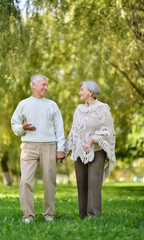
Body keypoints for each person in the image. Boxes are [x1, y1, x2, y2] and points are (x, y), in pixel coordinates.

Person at [11, 74, 65, 223]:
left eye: (47, 85)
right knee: (25, 181)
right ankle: (28, 215)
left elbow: (59, 128)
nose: (46, 88)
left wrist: (61, 149)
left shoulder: (52, 105)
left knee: (49, 181)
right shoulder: (23, 104)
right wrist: (22, 127)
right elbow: (14, 124)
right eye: (43, 85)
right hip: (28, 146)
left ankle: (49, 214)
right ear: (33, 85)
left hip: (49, 145)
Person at [65, 80, 116, 219]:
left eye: (82, 89)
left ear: (90, 92)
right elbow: (74, 131)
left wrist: (94, 139)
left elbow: (109, 131)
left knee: (94, 185)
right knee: (81, 184)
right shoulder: (79, 109)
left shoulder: (102, 108)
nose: (79, 92)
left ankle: (93, 216)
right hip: (80, 152)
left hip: (97, 151)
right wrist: (65, 150)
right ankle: (83, 216)